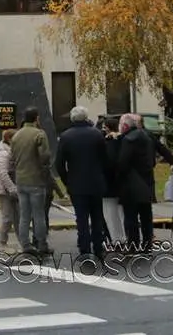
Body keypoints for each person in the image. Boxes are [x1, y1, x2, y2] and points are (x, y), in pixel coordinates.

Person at [54, 106, 108, 258]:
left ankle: (84, 248)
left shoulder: (66, 136)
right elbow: (105, 158)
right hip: (96, 182)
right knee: (97, 216)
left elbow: (59, 164)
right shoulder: (97, 134)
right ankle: (98, 247)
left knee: (81, 218)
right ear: (86, 117)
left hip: (76, 183)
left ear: (72, 118)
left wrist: (67, 180)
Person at [9, 106, 52, 255]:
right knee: (38, 214)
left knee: (24, 215)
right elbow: (44, 157)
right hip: (36, 179)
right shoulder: (39, 134)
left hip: (21, 180)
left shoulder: (16, 135)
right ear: (37, 118)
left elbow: (12, 157)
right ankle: (41, 244)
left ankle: (25, 244)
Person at [117, 113, 156, 254]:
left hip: (131, 183)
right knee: (146, 216)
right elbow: (152, 159)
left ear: (125, 126)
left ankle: (133, 245)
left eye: (120, 124)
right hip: (147, 181)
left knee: (131, 216)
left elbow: (123, 163)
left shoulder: (128, 140)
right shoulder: (146, 137)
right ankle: (147, 244)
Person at [0, 128, 18, 252]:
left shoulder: (8, 151)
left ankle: (22, 243)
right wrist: (12, 188)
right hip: (4, 190)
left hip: (8, 188)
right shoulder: (3, 153)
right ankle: (2, 244)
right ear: (9, 139)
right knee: (8, 217)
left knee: (16, 216)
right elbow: (3, 173)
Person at [100, 117, 126, 249]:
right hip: (122, 182)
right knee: (122, 212)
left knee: (110, 214)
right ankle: (125, 237)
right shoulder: (124, 140)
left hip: (108, 183)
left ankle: (117, 239)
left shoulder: (108, 143)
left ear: (108, 128)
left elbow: (107, 163)